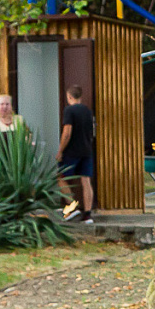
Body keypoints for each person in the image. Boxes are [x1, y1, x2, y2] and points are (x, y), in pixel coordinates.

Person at [58, 84, 96, 222]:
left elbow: (67, 133)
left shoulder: (69, 110)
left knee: (60, 177)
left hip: (72, 151)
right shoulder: (87, 111)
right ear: (80, 96)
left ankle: (71, 206)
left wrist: (60, 150)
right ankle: (87, 214)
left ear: (69, 97)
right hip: (86, 150)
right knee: (85, 181)